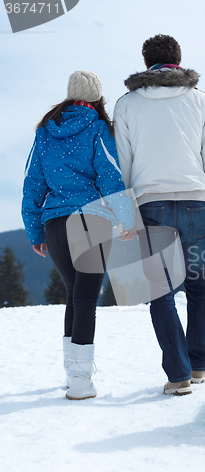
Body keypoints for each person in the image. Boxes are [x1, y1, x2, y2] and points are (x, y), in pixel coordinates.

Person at [114, 34, 205, 396]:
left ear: (146, 62)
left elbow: (123, 166)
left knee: (160, 292)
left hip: (150, 205)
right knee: (199, 288)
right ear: (179, 59)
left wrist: (125, 216)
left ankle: (178, 375)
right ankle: (199, 366)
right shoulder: (202, 101)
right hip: (196, 201)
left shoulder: (127, 104)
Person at [22, 70, 135, 400]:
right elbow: (111, 177)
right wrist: (127, 219)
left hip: (55, 225)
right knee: (85, 296)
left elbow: (32, 185)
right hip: (90, 221)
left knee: (75, 294)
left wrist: (34, 232)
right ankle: (81, 382)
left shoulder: (45, 131)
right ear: (98, 97)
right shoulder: (97, 128)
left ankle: (72, 374)